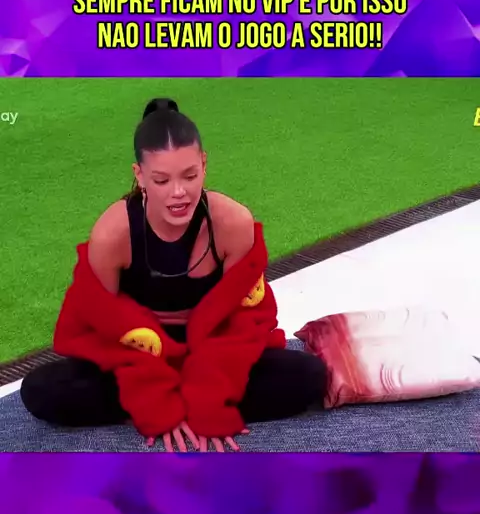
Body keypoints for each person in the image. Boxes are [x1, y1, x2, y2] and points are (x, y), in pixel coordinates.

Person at [21, 98, 328, 451]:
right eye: (161, 180)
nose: (178, 193)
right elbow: (100, 328)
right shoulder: (112, 234)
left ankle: (178, 401)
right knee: (41, 390)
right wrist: (153, 401)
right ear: (139, 175)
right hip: (137, 356)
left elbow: (244, 323)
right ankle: (161, 402)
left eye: (190, 176)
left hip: (215, 354)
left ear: (204, 164)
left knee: (308, 377)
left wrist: (209, 398)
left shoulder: (233, 223)